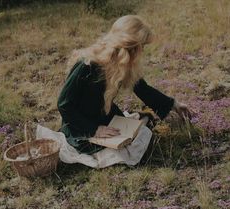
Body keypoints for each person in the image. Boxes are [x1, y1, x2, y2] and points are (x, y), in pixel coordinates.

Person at [57, 15, 191, 166]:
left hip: (104, 117)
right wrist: (94, 130)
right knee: (116, 154)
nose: (143, 51)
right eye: (142, 46)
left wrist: (173, 104)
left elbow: (142, 89)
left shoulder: (123, 63)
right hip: (80, 124)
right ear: (130, 47)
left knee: (138, 137)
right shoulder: (87, 64)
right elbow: (64, 104)